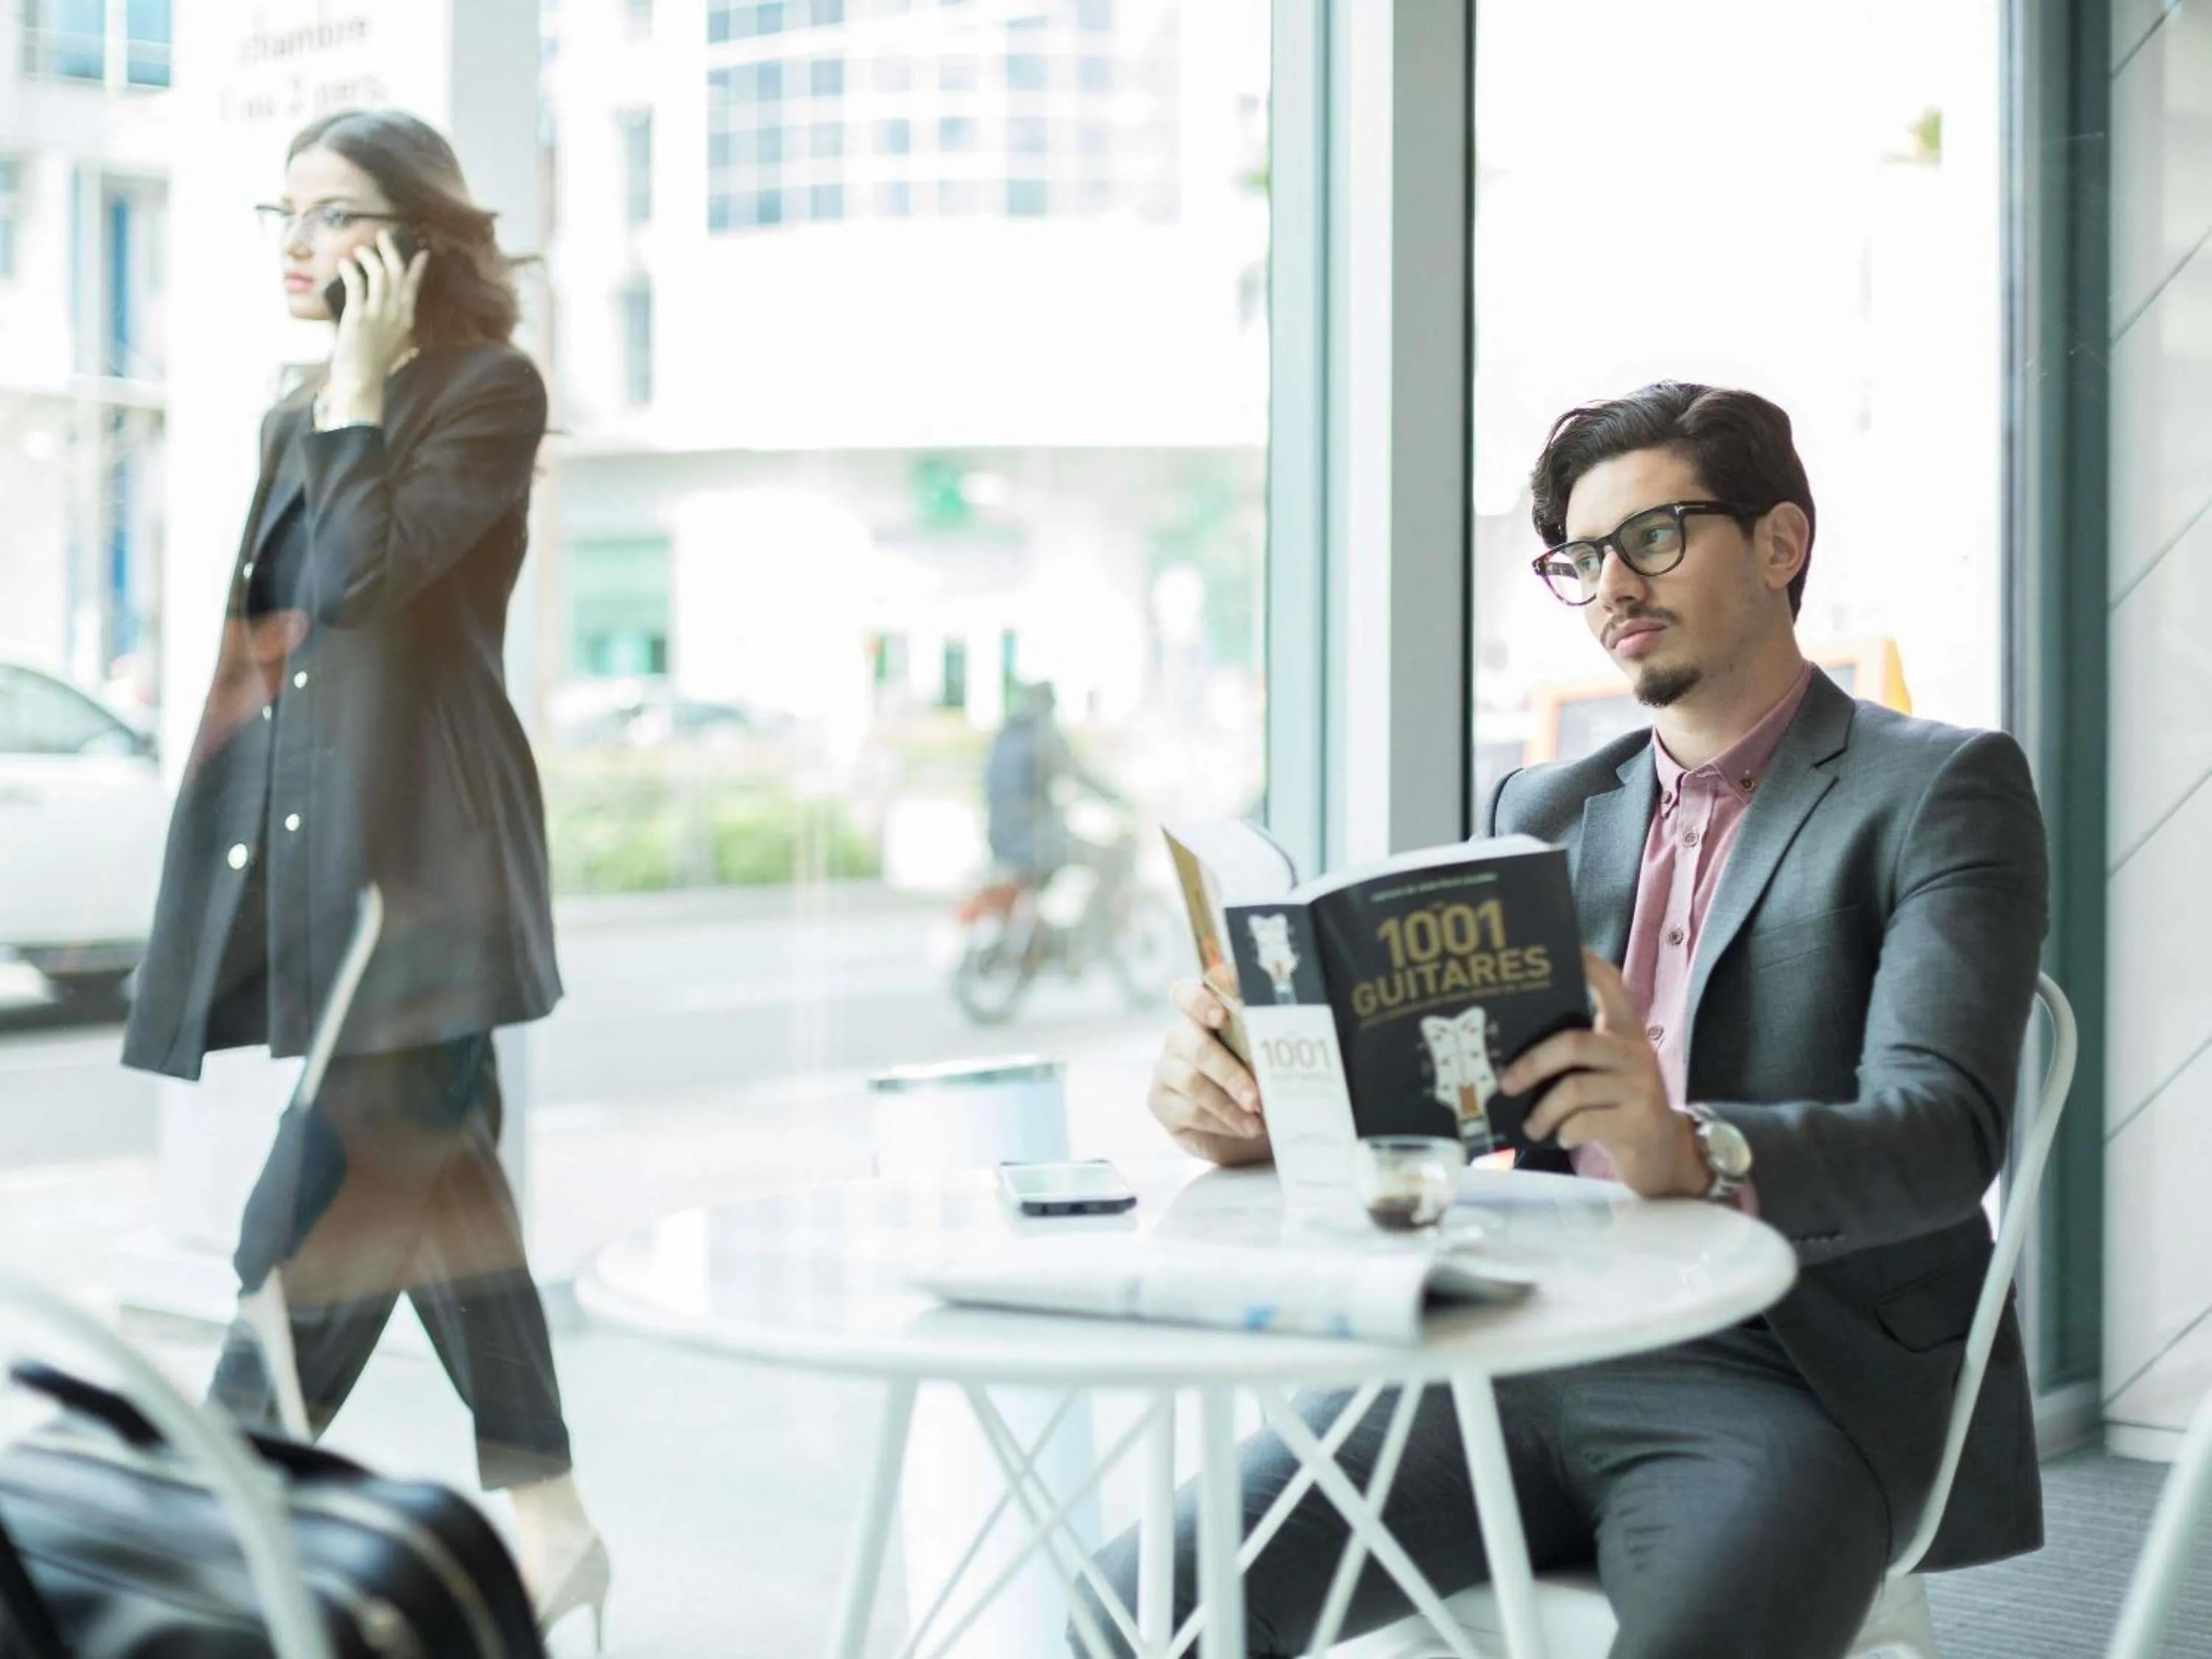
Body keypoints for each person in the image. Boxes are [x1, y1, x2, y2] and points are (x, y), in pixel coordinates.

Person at [1092, 381, 2050, 1659]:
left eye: (1654, 537)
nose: (1611, 586)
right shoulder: (1541, 805)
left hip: (1786, 1371)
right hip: (1520, 1340)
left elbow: (1943, 1133)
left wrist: (1695, 1149)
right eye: (1581, 559)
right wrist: (1265, 1115)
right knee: (1137, 1605)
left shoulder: (1937, 786)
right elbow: (1441, 1106)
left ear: (1780, 543)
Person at [120, 110, 609, 1649]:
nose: (296, 243)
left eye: (333, 217)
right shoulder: (296, 409)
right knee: (438, 1185)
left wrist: (348, 395)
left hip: (434, 877)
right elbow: (272, 655)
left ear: (413, 241)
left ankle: (214, 1531)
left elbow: (361, 589)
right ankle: (550, 1521)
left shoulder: (487, 391)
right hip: (325, 868)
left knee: (309, 1215)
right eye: (286, 212)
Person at [984, 681, 1123, 884]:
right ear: (1050, 703)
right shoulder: (1043, 734)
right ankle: (1096, 916)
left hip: (999, 840)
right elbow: (1080, 774)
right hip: (1036, 845)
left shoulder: (1006, 732)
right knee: (1111, 858)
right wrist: (1119, 800)